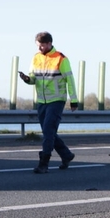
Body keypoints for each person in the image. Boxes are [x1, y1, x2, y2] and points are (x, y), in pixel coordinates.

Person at [18, 32, 79, 173]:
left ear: (49, 43)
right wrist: (27, 79)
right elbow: (34, 79)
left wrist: (74, 100)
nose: (39, 49)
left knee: (48, 131)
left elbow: (70, 80)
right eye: (38, 46)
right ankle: (66, 155)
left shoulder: (61, 59)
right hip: (41, 101)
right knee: (48, 132)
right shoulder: (36, 58)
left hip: (57, 100)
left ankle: (44, 163)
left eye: (42, 46)